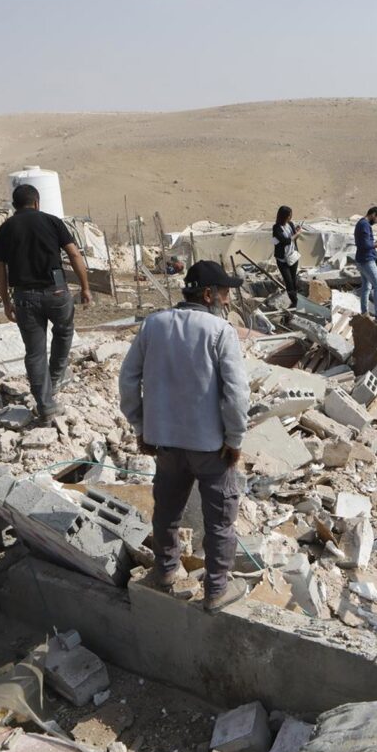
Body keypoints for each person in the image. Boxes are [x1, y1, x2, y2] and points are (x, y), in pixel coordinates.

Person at [118, 261, 251, 612]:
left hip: (166, 443)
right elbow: (236, 395)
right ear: (208, 294)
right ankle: (216, 591)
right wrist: (234, 439)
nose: (226, 300)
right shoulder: (221, 332)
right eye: (223, 293)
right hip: (210, 448)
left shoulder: (153, 325)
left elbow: (128, 380)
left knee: (167, 512)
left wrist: (141, 425)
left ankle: (164, 572)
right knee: (220, 521)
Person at [0, 184, 91, 422]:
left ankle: (45, 405)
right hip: (57, 292)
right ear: (36, 202)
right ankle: (54, 379)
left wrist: (6, 301)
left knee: (34, 352)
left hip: (24, 297)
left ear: (14, 206)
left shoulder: (4, 229)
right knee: (64, 332)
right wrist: (85, 287)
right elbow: (75, 254)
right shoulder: (53, 222)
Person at [354, 206, 377, 319]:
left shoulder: (361, 224)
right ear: (373, 215)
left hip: (362, 259)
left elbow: (365, 242)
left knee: (366, 287)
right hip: (366, 260)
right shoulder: (364, 225)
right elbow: (365, 245)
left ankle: (364, 312)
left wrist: (374, 244)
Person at [272, 205, 301, 308]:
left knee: (293, 279)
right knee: (288, 282)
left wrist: (296, 231)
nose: (290, 218)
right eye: (289, 216)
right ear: (283, 216)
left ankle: (296, 299)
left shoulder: (290, 224)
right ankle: (294, 301)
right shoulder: (276, 228)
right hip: (282, 260)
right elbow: (285, 241)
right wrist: (296, 235)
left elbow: (293, 239)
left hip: (292, 257)